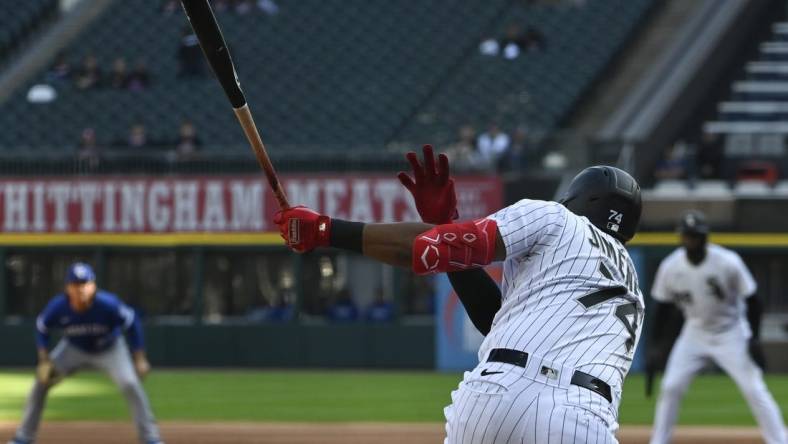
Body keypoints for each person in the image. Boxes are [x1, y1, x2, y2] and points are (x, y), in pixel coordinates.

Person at [275, 145, 644, 443]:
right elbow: (494, 319)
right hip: (580, 414)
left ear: (579, 199)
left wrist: (325, 230)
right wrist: (445, 227)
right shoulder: (632, 289)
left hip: (492, 399)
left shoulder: (556, 218)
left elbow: (426, 251)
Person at [648, 211, 787, 444]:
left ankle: (779, 440)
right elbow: (662, 308)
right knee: (671, 386)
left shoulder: (727, 261)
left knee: (754, 389)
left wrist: (754, 338)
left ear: (705, 237)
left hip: (731, 332)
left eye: (695, 235)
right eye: (687, 236)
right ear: (681, 238)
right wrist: (655, 344)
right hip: (694, 332)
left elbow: (753, 300)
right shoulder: (670, 266)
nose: (691, 240)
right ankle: (658, 441)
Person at [7, 263, 163, 444]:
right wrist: (43, 358)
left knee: (130, 383)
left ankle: (150, 438)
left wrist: (140, 358)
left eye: (85, 283)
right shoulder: (58, 307)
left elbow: (132, 323)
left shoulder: (108, 304)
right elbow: (42, 327)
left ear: (93, 286)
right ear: (68, 288)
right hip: (73, 349)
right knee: (40, 383)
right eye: (76, 284)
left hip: (110, 349)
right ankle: (23, 437)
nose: (81, 288)